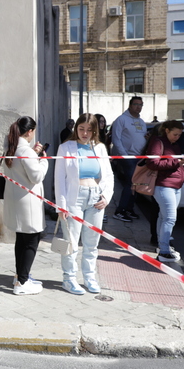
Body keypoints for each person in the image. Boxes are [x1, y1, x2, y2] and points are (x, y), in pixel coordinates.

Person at [54, 114, 114, 295]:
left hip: (95, 198)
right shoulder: (65, 148)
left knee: (91, 243)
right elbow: (59, 179)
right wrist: (61, 205)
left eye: (89, 130)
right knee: (71, 242)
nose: (85, 133)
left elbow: (109, 175)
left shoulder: (101, 148)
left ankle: (89, 277)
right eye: (81, 129)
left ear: (95, 130)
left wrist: (106, 196)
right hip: (74, 198)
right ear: (76, 128)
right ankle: (69, 279)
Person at [2, 116, 48, 295]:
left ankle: (21, 276)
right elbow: (36, 176)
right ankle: (22, 282)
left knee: (21, 240)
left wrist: (33, 154)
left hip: (16, 201)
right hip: (28, 204)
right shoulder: (25, 151)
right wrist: (43, 160)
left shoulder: (11, 148)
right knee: (31, 241)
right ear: (29, 131)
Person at [144, 120, 184, 262]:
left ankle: (162, 247)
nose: (177, 137)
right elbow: (152, 163)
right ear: (167, 131)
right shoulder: (158, 142)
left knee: (164, 218)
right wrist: (177, 162)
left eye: (179, 135)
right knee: (170, 218)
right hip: (164, 185)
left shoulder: (173, 144)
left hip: (175, 185)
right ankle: (164, 250)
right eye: (175, 134)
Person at [110, 96, 146, 222]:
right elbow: (116, 139)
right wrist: (124, 155)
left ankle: (129, 209)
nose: (138, 106)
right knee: (130, 183)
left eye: (141, 104)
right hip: (127, 157)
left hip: (139, 157)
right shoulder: (121, 120)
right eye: (136, 104)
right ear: (130, 105)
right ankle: (120, 211)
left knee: (136, 184)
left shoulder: (141, 122)